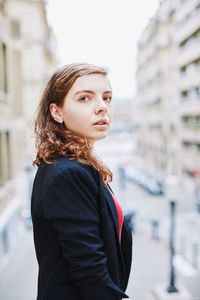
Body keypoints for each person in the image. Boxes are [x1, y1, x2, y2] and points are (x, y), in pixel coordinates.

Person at [31, 62, 132, 300]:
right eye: (85, 98)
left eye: (107, 98)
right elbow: (90, 272)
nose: (101, 108)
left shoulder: (73, 164)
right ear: (57, 112)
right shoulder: (67, 173)